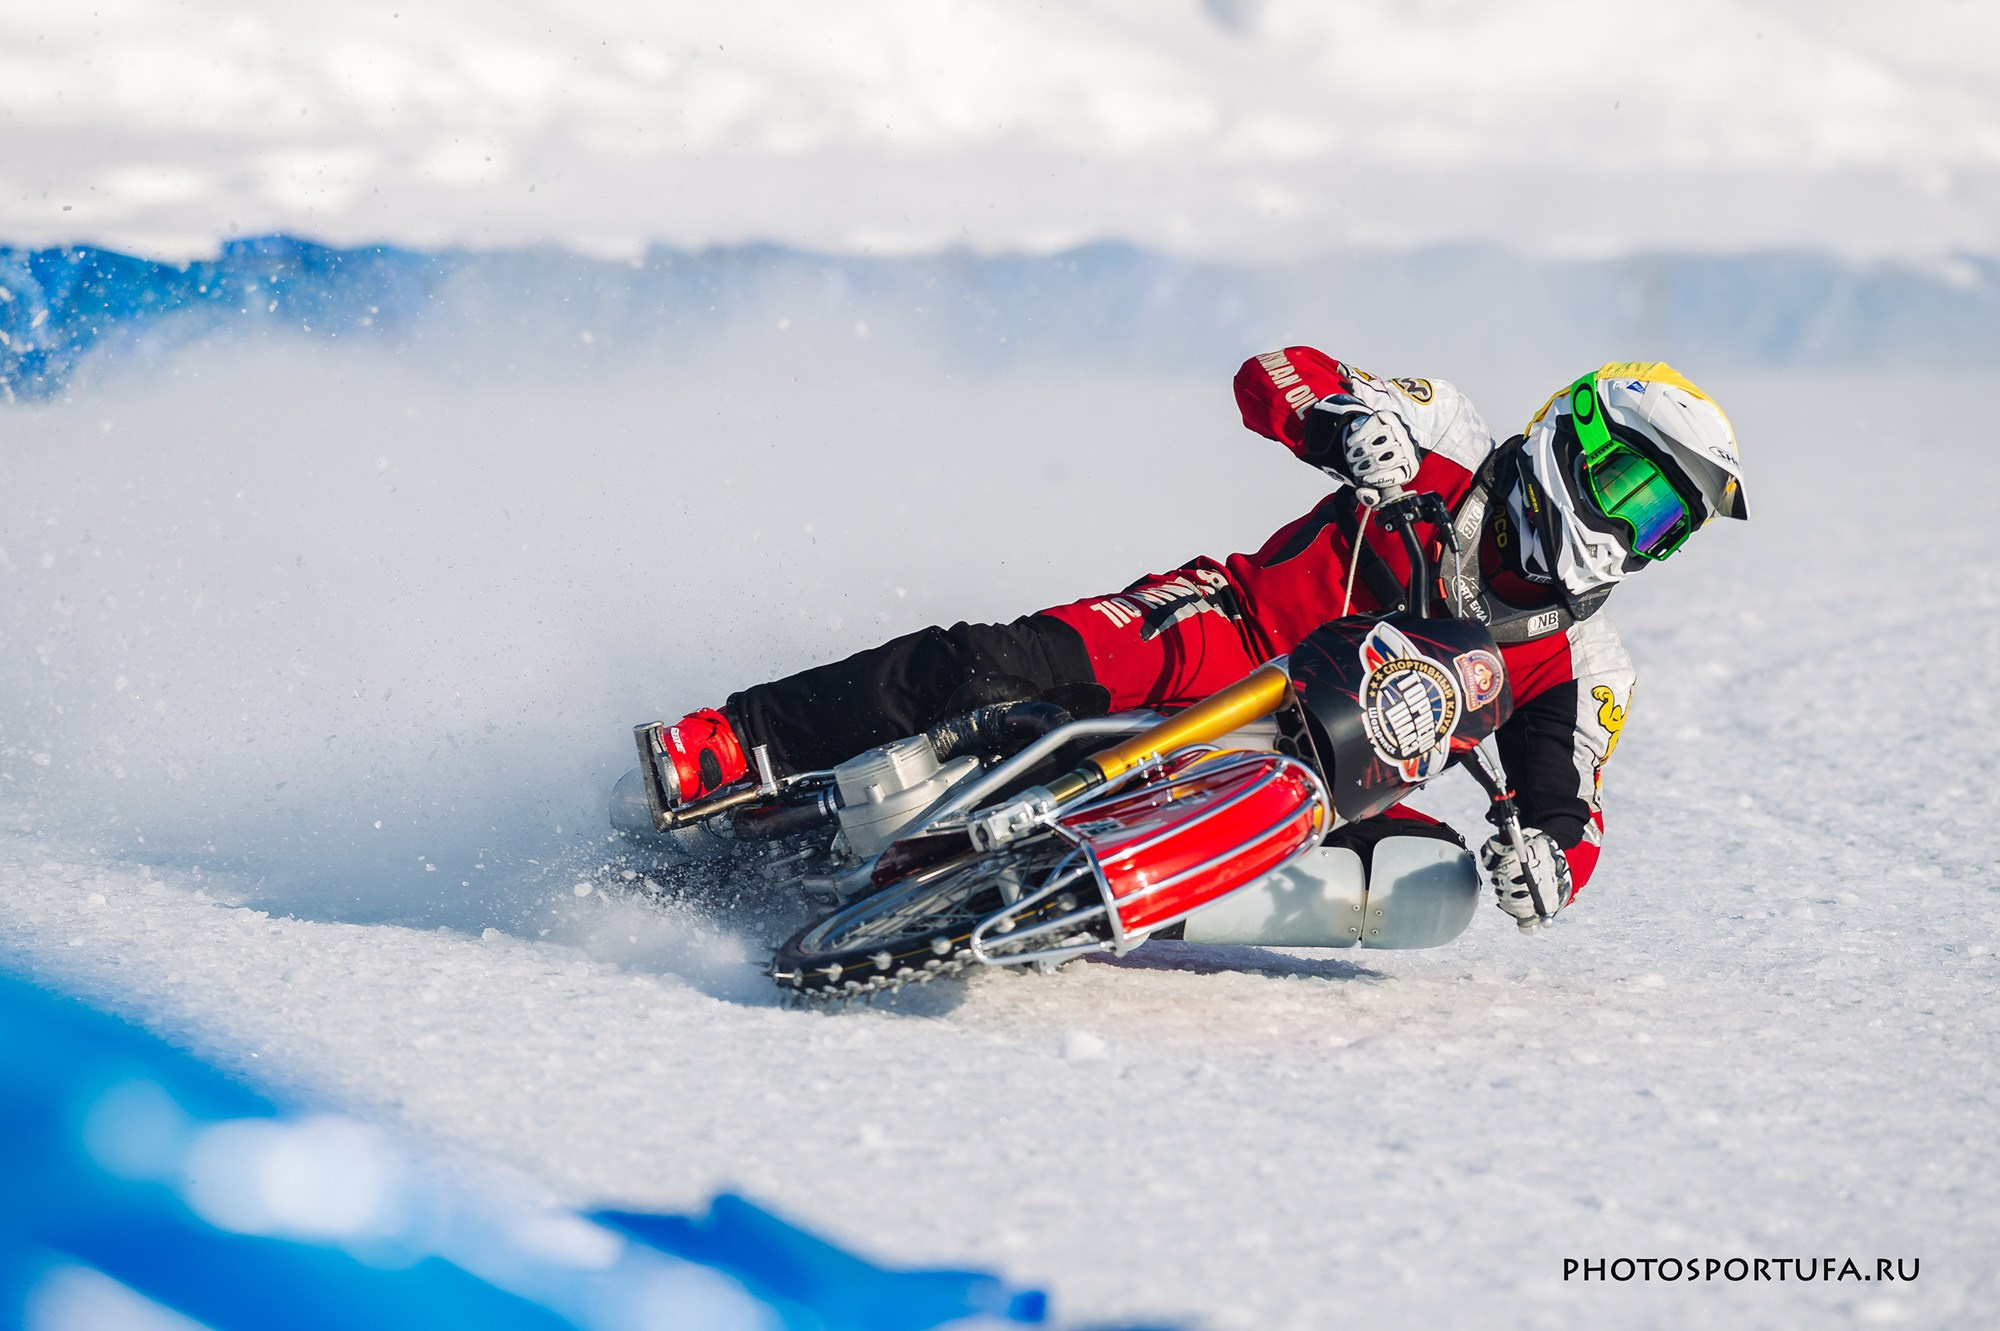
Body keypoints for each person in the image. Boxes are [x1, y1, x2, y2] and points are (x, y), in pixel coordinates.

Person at [641, 349, 1747, 930]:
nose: (1625, 529)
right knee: (983, 665)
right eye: (1629, 486)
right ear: (1576, 435)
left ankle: (1061, 896)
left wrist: (1549, 862)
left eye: (1660, 520)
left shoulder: (1586, 663)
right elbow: (1275, 372)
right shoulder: (1447, 433)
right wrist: (1338, 425)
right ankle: (731, 743)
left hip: (1319, 770)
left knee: (1426, 881)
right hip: (1224, 631)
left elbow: (1567, 800)